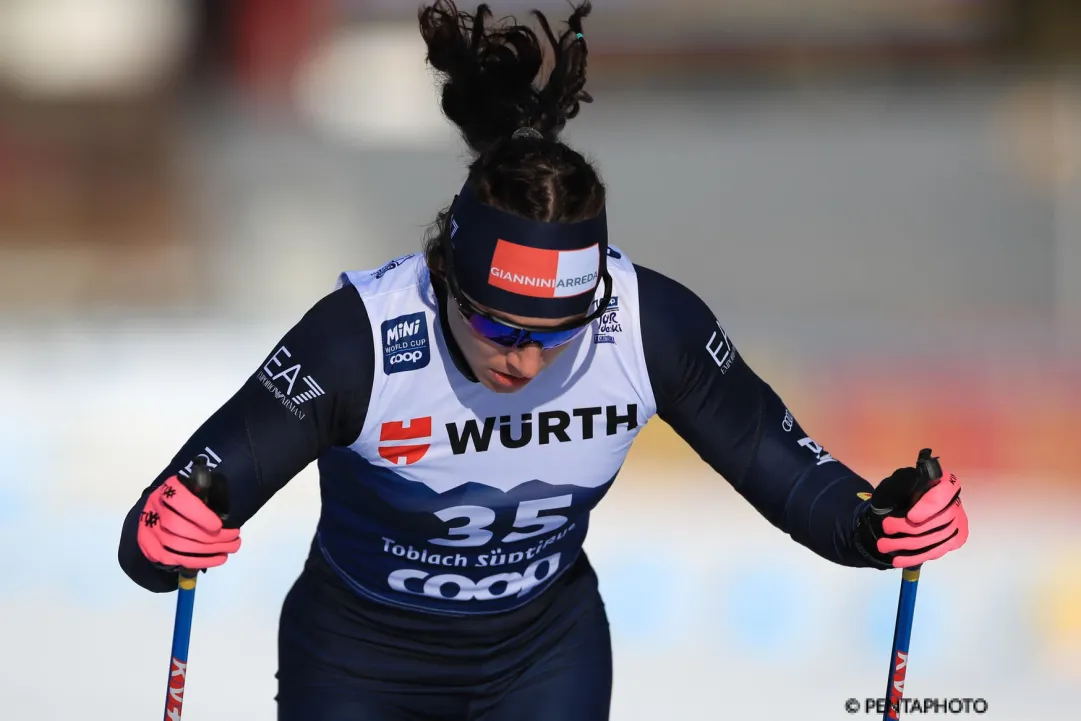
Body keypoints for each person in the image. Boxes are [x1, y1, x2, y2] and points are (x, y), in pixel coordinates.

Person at [117, 2, 970, 719]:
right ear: (445, 273)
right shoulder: (359, 338)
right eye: (493, 324)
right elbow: (172, 512)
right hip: (357, 663)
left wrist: (877, 520)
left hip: (541, 659)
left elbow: (781, 466)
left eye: (556, 330)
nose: (521, 357)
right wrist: (167, 538)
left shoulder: (647, 324)